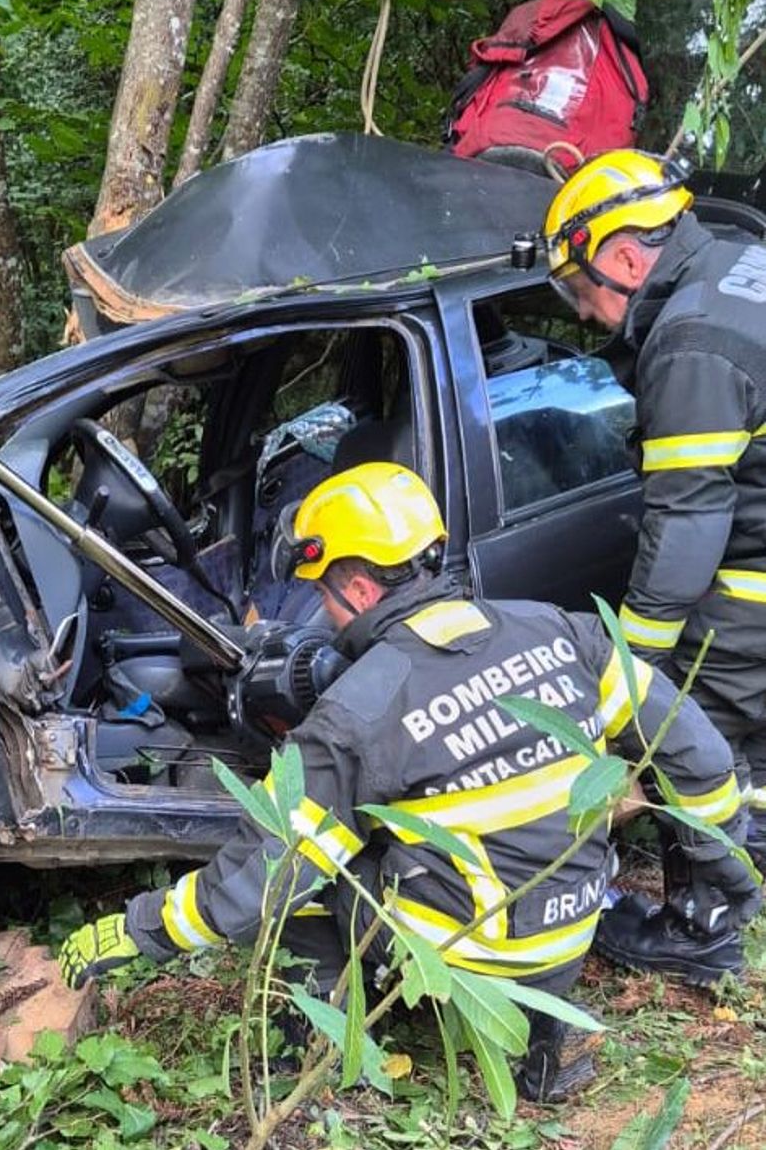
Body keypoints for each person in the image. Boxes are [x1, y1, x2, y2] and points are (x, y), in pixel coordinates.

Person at [58, 463, 755, 1101]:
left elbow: (256, 885)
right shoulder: (562, 631)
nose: (324, 616)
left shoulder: (362, 708)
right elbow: (699, 759)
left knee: (314, 869)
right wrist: (733, 883)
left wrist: (136, 929)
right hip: (572, 926)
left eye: (323, 596)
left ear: (359, 586)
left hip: (470, 957)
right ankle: (545, 1036)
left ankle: (326, 1043)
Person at [542, 149, 766, 975]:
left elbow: (687, 523)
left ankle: (703, 930)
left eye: (581, 290)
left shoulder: (691, 345)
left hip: (751, 589)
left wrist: (632, 670)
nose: (591, 316)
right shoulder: (746, 267)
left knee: (695, 738)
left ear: (626, 256)